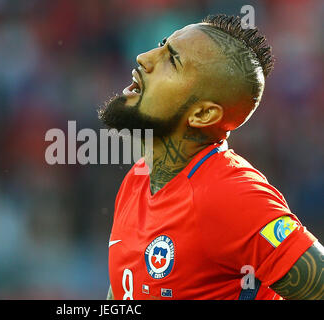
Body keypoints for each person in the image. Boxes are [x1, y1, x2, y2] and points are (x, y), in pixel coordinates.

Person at [98, 14, 323, 300]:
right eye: (161, 45)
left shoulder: (230, 195)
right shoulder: (138, 179)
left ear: (203, 114)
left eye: (172, 61)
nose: (144, 57)